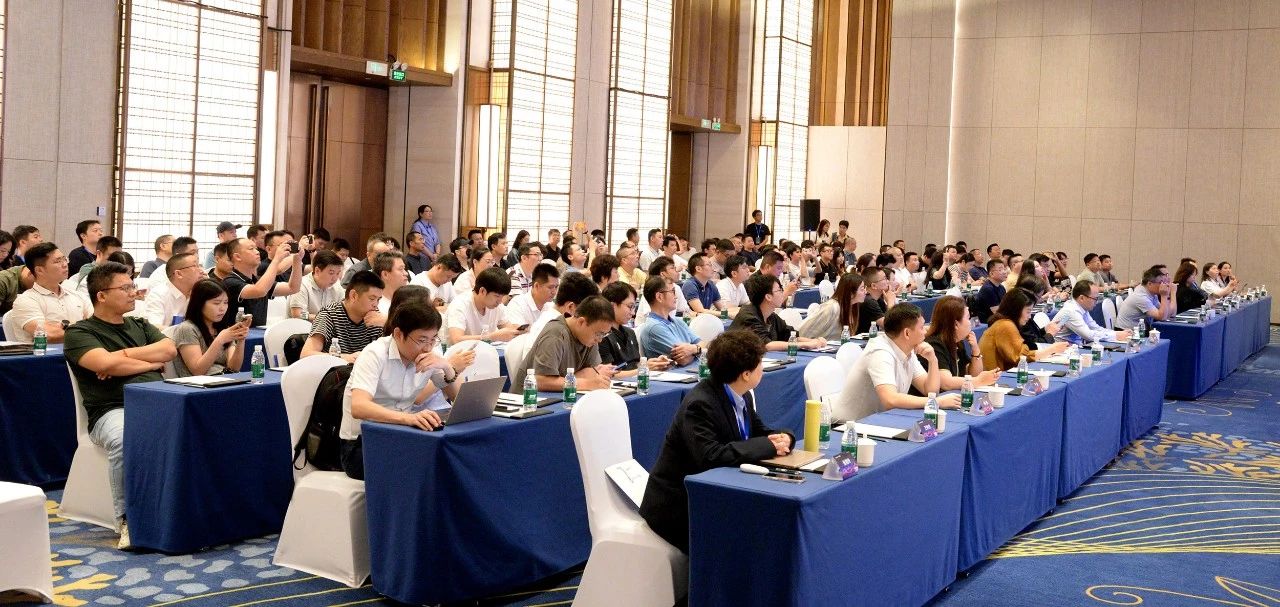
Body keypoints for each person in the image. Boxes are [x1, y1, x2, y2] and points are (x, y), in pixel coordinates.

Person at [640, 329, 792, 553]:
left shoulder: (740, 393)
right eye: (760, 363)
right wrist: (768, 445)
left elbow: (760, 432)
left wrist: (785, 437)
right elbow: (711, 456)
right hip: (678, 506)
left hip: (714, 493)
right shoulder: (700, 404)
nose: (762, 367)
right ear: (745, 374)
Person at [63, 262, 177, 549]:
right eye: (125, 288)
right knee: (126, 438)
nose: (133, 292)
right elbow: (104, 364)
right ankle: (129, 520)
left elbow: (169, 350)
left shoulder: (139, 324)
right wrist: (149, 363)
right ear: (101, 295)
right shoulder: (79, 332)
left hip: (159, 401)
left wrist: (121, 356)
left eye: (132, 286)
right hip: (112, 409)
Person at [339, 301, 469, 480]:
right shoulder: (374, 354)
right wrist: (409, 418)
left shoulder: (428, 355)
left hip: (403, 435)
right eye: (422, 340)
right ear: (398, 334)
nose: (428, 347)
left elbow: (456, 396)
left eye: (433, 339)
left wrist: (447, 367)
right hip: (362, 444)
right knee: (428, 468)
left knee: (454, 458)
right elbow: (359, 407)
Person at [834, 303, 959, 424]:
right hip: (847, 426)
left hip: (876, 421)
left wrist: (933, 360)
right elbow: (890, 400)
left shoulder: (907, 349)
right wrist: (936, 402)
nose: (925, 332)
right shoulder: (880, 353)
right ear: (907, 333)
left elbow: (930, 390)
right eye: (921, 327)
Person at [506, 295, 617, 394]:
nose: (600, 340)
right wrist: (586, 383)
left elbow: (592, 372)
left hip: (563, 395)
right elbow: (540, 381)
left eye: (604, 334)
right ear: (581, 322)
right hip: (529, 400)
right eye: (599, 334)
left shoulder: (589, 337)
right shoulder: (555, 334)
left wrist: (569, 380)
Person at [10, 243, 93, 343]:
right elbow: (49, 334)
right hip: (45, 353)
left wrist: (67, 329)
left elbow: (100, 325)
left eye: (64, 259)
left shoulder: (77, 295)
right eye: (58, 261)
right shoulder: (26, 300)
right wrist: (87, 328)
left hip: (82, 350)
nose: (65, 264)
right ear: (39, 270)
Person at [301, 270, 386, 362]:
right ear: (353, 296)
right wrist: (344, 358)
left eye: (378, 299)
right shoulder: (329, 314)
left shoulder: (376, 318)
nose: (375, 304)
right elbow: (306, 354)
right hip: (336, 369)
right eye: (372, 299)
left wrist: (387, 322)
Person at [919, 295, 1000, 390]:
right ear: (955, 324)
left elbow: (973, 374)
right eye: (968, 318)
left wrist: (975, 350)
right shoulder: (935, 344)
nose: (970, 323)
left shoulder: (956, 342)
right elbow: (946, 383)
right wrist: (979, 380)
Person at [170, 279, 249, 376]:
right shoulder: (187, 329)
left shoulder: (222, 328)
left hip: (223, 379)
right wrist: (219, 340)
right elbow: (198, 371)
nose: (222, 308)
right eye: (216, 303)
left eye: (225, 302)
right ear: (200, 304)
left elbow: (234, 368)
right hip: (200, 383)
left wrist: (241, 339)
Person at [729, 273, 825, 352]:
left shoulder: (771, 315)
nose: (782, 293)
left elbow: (790, 335)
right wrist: (805, 344)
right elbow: (766, 345)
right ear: (768, 297)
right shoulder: (748, 316)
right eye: (779, 290)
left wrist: (814, 341)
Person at [221, 237, 303, 328]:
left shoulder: (257, 280)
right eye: (251, 249)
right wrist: (276, 259)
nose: (257, 252)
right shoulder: (230, 281)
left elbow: (293, 288)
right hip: (236, 334)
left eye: (256, 248)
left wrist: (297, 260)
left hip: (258, 332)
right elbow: (259, 291)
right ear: (237, 257)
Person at [979, 289, 1070, 370]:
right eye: (1028, 311)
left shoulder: (1005, 323)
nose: (1029, 316)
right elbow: (1021, 357)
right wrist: (1052, 349)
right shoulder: (1005, 325)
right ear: (1016, 310)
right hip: (995, 378)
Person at [639, 276, 714, 365]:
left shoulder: (678, 321)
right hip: (674, 373)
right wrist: (699, 350)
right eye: (673, 291)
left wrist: (694, 349)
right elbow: (683, 360)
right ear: (659, 297)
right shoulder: (654, 327)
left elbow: (704, 344)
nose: (676, 296)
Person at [598, 281, 672, 372]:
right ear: (612, 306)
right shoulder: (601, 336)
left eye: (634, 307)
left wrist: (652, 364)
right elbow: (608, 374)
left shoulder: (630, 332)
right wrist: (643, 368)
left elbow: (634, 364)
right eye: (630, 306)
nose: (633, 313)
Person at [445, 267, 523, 343]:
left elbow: (508, 328)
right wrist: (491, 337)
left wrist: (517, 331)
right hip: (459, 351)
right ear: (482, 291)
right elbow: (456, 339)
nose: (500, 301)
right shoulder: (460, 304)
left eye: (502, 296)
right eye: (497, 296)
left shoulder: (496, 306)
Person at [1052, 280, 1132, 345]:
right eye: (1095, 299)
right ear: (1082, 298)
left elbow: (1095, 328)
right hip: (1061, 351)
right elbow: (1088, 335)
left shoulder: (1082, 308)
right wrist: (1116, 335)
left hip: (1072, 347)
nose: (1096, 302)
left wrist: (1118, 333)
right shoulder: (1070, 312)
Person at [141, 253, 204, 328]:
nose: (202, 271)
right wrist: (181, 333)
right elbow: (153, 327)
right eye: (195, 266)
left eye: (199, 266)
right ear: (179, 274)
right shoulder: (158, 294)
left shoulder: (199, 293)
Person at [798, 273, 865, 341]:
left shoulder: (853, 307)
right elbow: (803, 332)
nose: (865, 292)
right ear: (851, 293)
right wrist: (814, 342)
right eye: (862, 289)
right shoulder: (831, 307)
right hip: (820, 345)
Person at [287, 250, 345, 318]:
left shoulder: (336, 285)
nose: (335, 278)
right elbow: (298, 314)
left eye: (338, 273)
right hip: (300, 324)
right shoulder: (302, 285)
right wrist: (322, 318)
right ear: (317, 271)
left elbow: (345, 308)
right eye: (331, 273)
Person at [857, 266, 898, 334]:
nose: (888, 281)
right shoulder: (868, 301)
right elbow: (890, 326)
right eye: (884, 279)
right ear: (874, 286)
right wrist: (890, 302)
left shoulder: (878, 299)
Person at [373, 251, 409, 315]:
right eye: (401, 269)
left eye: (404, 269)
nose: (406, 273)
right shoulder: (373, 304)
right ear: (385, 274)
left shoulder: (410, 299)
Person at [974, 259, 1007, 323]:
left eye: (1004, 269)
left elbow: (1005, 307)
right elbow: (997, 314)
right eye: (1000, 270)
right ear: (991, 274)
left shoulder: (1001, 287)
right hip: (988, 323)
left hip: (998, 320)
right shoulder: (988, 289)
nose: (1004, 272)